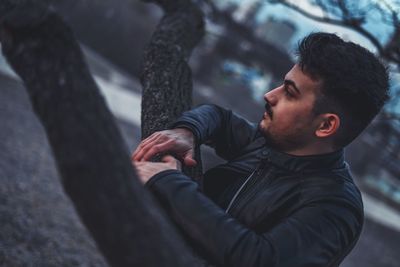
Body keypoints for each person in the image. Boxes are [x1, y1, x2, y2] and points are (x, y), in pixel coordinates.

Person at [132, 32, 389, 266]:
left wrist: (167, 182)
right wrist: (187, 131)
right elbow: (218, 117)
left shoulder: (335, 207)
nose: (270, 95)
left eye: (290, 93)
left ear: (326, 125)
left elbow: (260, 259)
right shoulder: (270, 142)